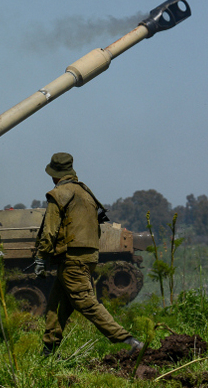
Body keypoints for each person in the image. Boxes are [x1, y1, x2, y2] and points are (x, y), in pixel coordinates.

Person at [34, 152, 142, 356]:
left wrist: (41, 257)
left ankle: (128, 341)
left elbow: (49, 231)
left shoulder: (58, 195)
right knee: (56, 305)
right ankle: (48, 351)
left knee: (87, 303)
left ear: (54, 174)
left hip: (71, 259)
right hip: (88, 256)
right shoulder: (86, 192)